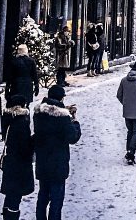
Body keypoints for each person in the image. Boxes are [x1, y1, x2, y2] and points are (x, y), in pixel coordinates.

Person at [32, 86, 81, 220]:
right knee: (56, 200)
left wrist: (65, 111)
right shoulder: (63, 117)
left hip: (42, 161)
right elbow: (73, 137)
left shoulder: (38, 113)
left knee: (42, 196)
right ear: (61, 98)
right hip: (58, 163)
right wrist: (74, 119)